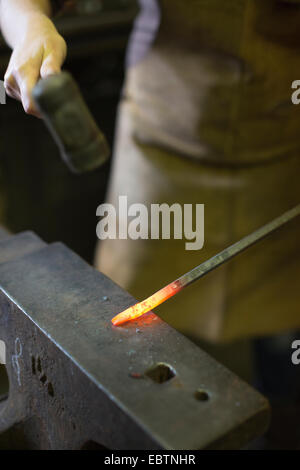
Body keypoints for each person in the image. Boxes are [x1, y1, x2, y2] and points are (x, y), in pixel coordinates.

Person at [1, 0, 300, 343]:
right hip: (162, 141)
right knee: (131, 337)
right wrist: (29, 25)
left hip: (284, 150)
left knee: (280, 343)